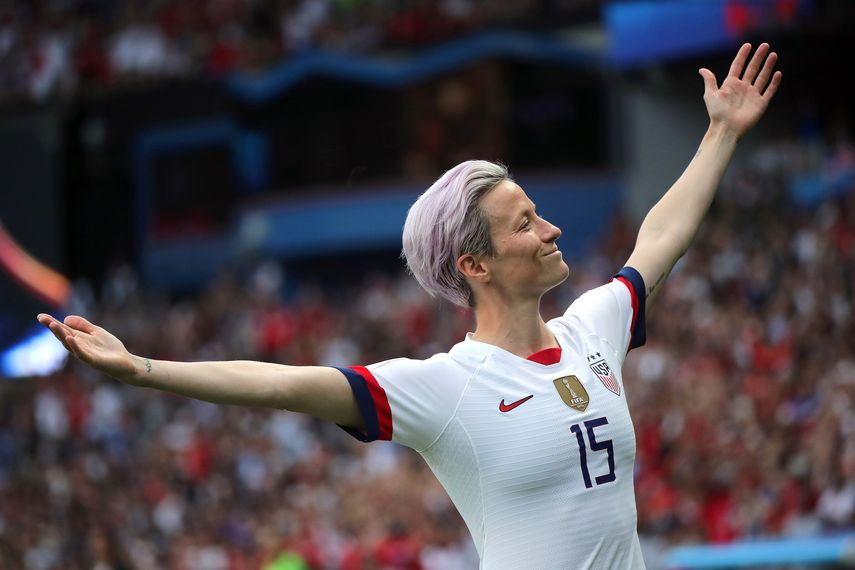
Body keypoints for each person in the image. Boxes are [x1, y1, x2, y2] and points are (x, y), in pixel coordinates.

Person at [38, 43, 781, 569]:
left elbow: (660, 239)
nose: (551, 230)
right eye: (525, 223)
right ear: (474, 265)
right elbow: (280, 383)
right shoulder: (445, 388)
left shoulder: (593, 329)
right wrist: (142, 368)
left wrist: (719, 133)